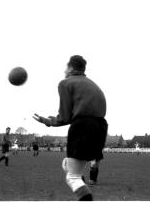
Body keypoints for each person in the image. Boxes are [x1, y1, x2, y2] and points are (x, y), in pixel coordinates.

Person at [33, 55, 108, 201]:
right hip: (100, 128)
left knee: (72, 178)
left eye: (66, 67)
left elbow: (65, 117)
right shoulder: (92, 84)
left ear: (71, 68)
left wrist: (47, 121)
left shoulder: (66, 83)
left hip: (82, 127)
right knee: (68, 166)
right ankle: (81, 181)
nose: (64, 71)